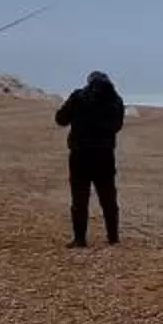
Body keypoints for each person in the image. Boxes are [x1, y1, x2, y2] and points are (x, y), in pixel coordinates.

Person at [55, 69, 126, 247]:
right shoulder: (116, 101)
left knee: (79, 198)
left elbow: (61, 119)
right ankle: (113, 237)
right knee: (108, 197)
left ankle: (80, 239)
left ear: (89, 82)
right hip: (104, 155)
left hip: (80, 154)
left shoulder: (78, 97)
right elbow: (117, 127)